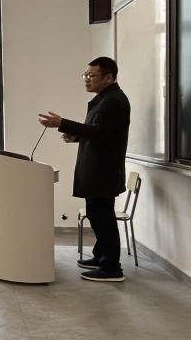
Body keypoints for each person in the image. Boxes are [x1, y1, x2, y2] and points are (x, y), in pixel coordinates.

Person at [39, 56, 131, 283]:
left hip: (103, 171)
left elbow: (99, 133)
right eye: (85, 75)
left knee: (103, 218)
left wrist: (62, 123)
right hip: (99, 170)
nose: (87, 79)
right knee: (97, 216)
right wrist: (77, 137)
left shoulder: (113, 101)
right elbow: (100, 132)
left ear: (108, 77)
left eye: (92, 75)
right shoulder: (105, 99)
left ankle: (111, 267)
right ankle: (101, 256)